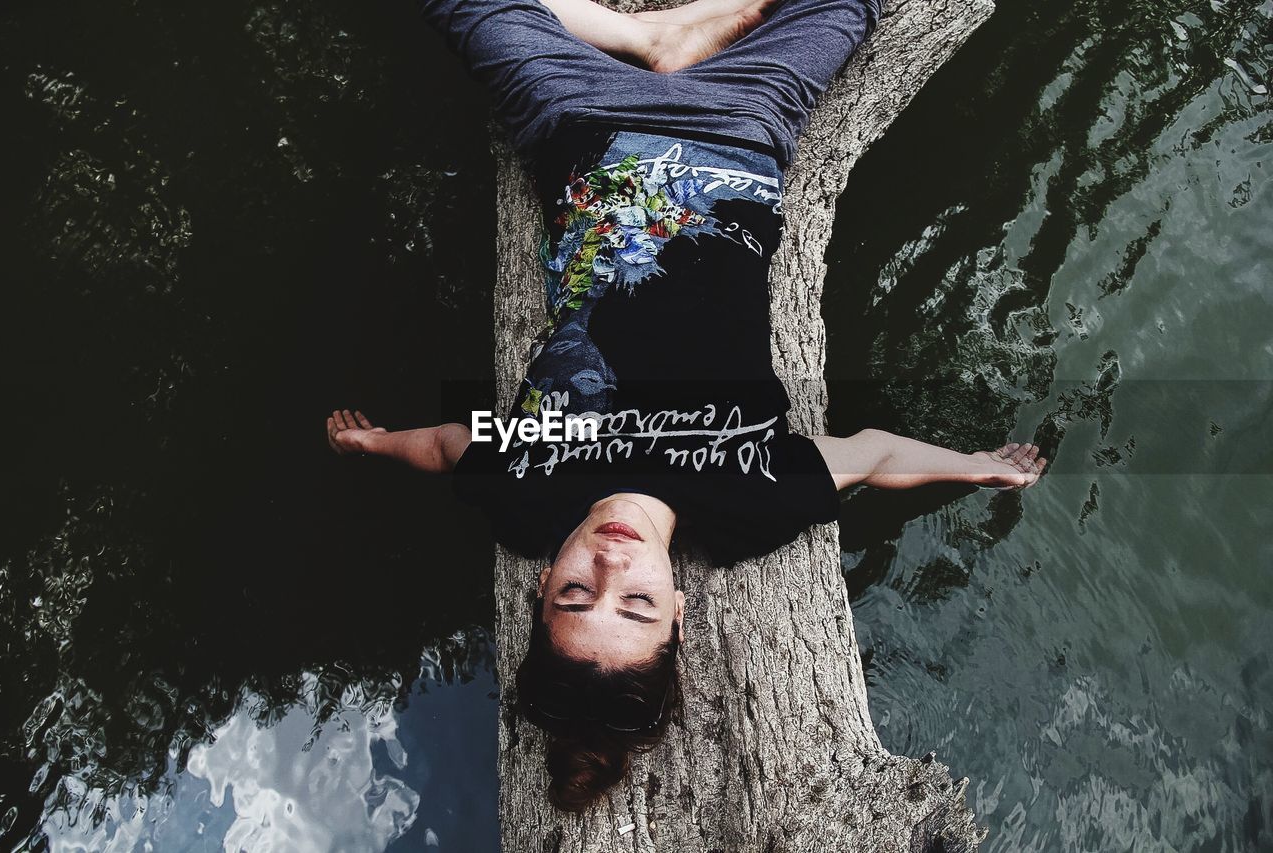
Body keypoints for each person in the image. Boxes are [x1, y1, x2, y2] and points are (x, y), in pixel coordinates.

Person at [327, 0, 1049, 812]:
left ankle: (649, 38)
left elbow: (449, 444)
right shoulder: (751, 500)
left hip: (577, 122)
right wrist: (978, 467)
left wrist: (375, 442)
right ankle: (671, 37)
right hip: (739, 126)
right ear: (677, 611)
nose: (609, 565)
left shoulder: (523, 492)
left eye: (574, 594)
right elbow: (875, 455)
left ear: (540, 589)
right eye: (634, 603)